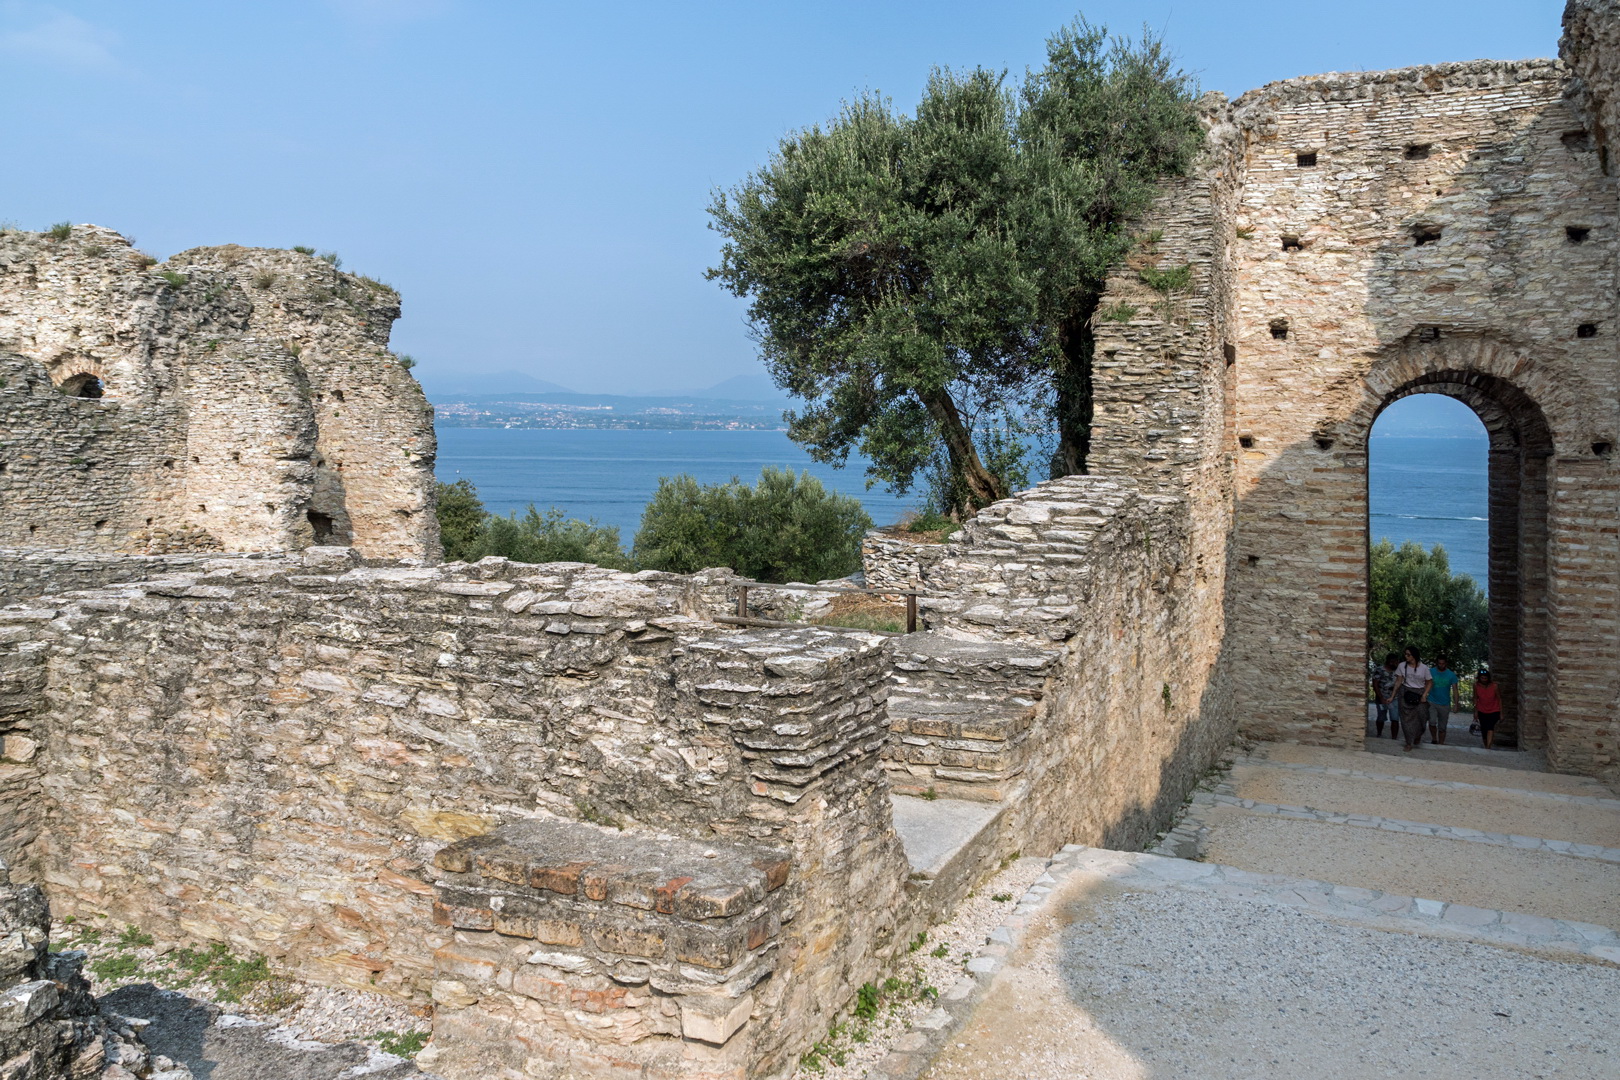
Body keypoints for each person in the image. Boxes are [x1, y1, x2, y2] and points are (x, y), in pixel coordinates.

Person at [1394, 646, 1431, 752]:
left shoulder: (1423, 668)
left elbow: (1429, 682)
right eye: (1405, 654)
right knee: (1406, 720)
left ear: (1414, 655)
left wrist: (1424, 695)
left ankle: (1418, 734)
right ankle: (1409, 742)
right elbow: (1398, 682)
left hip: (1419, 693)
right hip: (1406, 693)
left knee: (1422, 716)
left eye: (1408, 654)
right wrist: (1392, 696)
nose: (1406, 656)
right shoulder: (1402, 666)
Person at [1427, 655, 1459, 745]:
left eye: (1443, 664)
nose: (1441, 665)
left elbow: (1455, 690)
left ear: (1446, 664)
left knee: (1442, 727)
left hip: (1445, 703)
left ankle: (1441, 743)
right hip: (1432, 701)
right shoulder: (1431, 672)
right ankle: (1434, 738)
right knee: (1432, 722)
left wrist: (1456, 704)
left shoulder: (1451, 675)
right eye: (1439, 663)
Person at [1371, 653, 1400, 739]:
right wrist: (1381, 698)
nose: (1394, 664)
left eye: (1396, 662)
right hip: (1382, 697)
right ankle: (1379, 733)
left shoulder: (1398, 671)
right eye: (1393, 662)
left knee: (1395, 718)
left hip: (1394, 698)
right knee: (1381, 717)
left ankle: (1394, 737)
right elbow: (1375, 684)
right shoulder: (1379, 670)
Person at [1473, 668, 1501, 749]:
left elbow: (1499, 699)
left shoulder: (1494, 686)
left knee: (1490, 727)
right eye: (1482, 678)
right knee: (1484, 730)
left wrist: (1501, 712)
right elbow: (1475, 698)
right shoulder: (1476, 686)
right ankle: (1486, 745)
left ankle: (1488, 747)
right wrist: (1475, 711)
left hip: (1494, 710)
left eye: (1485, 678)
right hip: (1482, 710)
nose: (1484, 680)